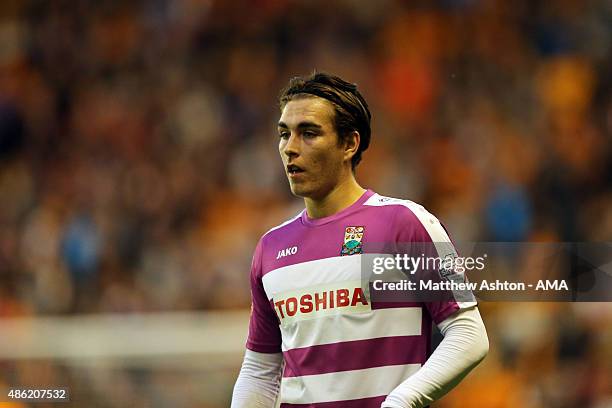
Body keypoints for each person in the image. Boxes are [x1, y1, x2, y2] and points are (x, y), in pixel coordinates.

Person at [231, 72, 488, 408]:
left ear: (349, 144)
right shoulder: (271, 247)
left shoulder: (405, 224)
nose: (291, 148)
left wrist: (402, 401)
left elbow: (468, 334)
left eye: (308, 133)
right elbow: (260, 371)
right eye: (284, 134)